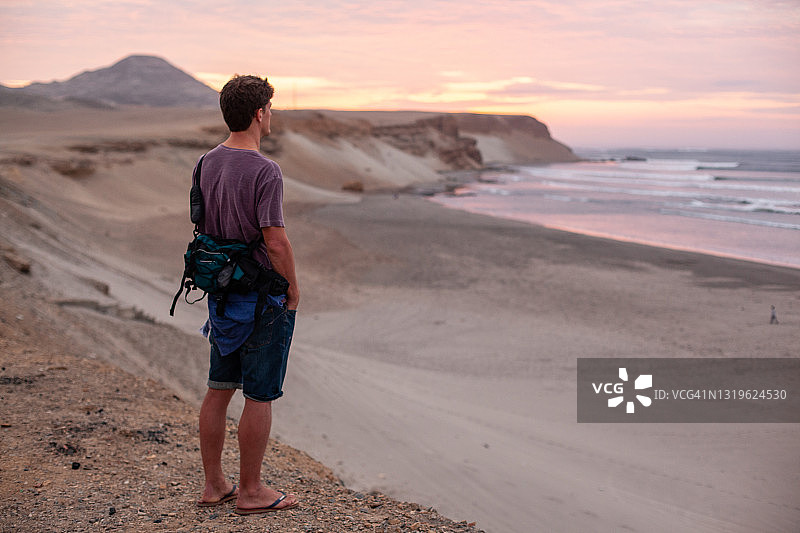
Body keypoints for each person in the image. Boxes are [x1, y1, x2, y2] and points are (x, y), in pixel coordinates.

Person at [194, 75, 300, 514]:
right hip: (259, 298)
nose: (270, 116)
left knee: (219, 389)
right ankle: (252, 490)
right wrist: (292, 290)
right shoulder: (264, 169)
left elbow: (203, 227)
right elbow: (275, 240)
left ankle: (214, 484)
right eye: (269, 109)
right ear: (260, 113)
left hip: (220, 295)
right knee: (258, 394)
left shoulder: (206, 162)